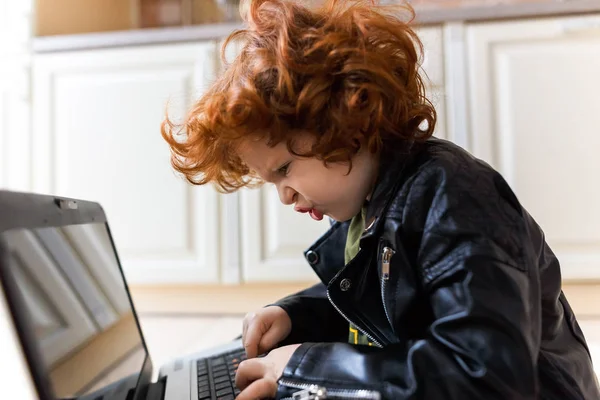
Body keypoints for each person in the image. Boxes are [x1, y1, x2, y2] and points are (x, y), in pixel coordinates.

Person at [161, 0, 600, 399]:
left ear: (346, 120)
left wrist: (303, 368)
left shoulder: (454, 196)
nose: (284, 196)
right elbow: (386, 302)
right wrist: (295, 316)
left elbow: (485, 376)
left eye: (284, 170)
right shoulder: (368, 208)